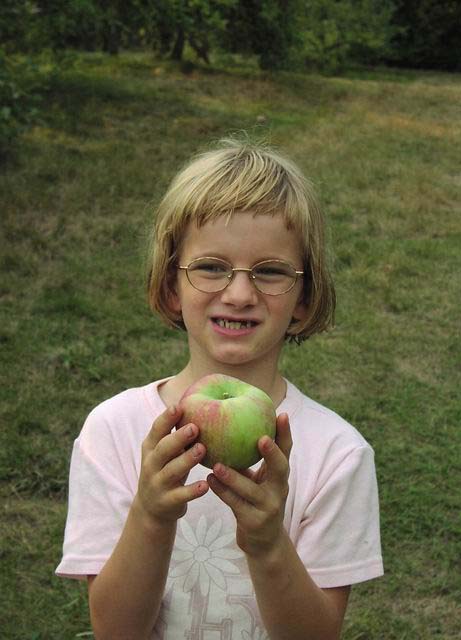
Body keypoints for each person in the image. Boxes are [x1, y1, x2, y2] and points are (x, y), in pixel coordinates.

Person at [56, 139, 383, 640]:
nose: (238, 293)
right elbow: (114, 631)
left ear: (305, 297)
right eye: (210, 267)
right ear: (171, 285)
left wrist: (269, 543)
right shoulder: (115, 432)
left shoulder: (338, 455)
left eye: (271, 271)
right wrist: (150, 516)